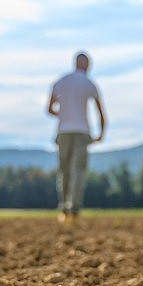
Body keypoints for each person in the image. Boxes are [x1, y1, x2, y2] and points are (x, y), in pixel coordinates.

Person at [47, 51, 106, 224]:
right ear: (87, 65)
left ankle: (64, 211)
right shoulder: (89, 83)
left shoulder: (61, 82)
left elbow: (50, 109)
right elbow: (100, 112)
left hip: (63, 131)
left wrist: (64, 115)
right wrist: (100, 133)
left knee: (64, 172)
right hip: (81, 132)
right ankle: (74, 211)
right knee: (78, 172)